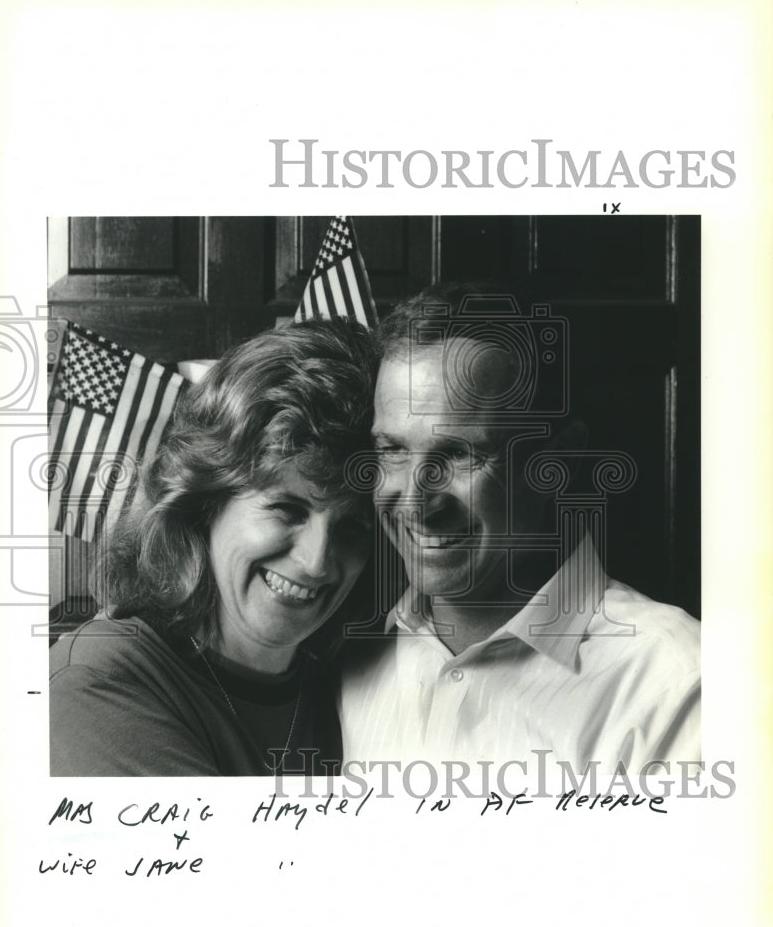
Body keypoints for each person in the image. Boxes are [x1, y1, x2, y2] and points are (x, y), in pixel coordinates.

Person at [339, 284, 700, 775]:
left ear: (562, 461)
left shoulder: (676, 685)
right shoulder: (342, 652)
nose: (416, 501)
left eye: (459, 454)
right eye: (393, 450)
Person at [50, 319, 377, 776]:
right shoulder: (102, 678)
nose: (317, 560)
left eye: (352, 528)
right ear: (207, 500)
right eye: (287, 508)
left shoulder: (351, 682)